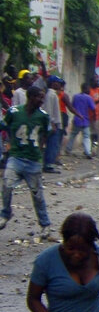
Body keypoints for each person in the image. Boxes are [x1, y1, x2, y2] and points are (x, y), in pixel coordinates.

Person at [0, 86, 55, 238]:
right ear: (31, 97)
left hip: (33, 160)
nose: (42, 100)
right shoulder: (15, 112)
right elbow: (5, 125)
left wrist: (41, 150)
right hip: (16, 156)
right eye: (39, 97)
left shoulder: (43, 116)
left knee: (37, 195)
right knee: (7, 184)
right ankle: (5, 213)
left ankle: (45, 224)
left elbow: (47, 132)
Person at [64, 83, 96, 158]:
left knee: (73, 135)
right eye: (88, 89)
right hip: (85, 120)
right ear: (85, 89)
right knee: (86, 137)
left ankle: (68, 149)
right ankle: (88, 152)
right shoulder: (88, 98)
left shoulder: (75, 96)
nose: (89, 90)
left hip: (77, 119)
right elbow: (93, 108)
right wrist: (93, 118)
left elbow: (72, 107)